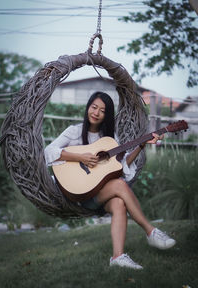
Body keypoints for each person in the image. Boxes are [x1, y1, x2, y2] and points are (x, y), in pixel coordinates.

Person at [45, 91, 176, 270]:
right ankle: (150, 231)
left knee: (119, 203)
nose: (96, 112)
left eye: (102, 110)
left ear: (107, 115)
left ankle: (118, 257)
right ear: (88, 107)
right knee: (120, 185)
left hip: (97, 197)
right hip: (76, 194)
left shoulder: (109, 139)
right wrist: (80, 157)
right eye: (94, 107)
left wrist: (141, 145)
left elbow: (122, 165)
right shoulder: (74, 131)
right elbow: (49, 152)